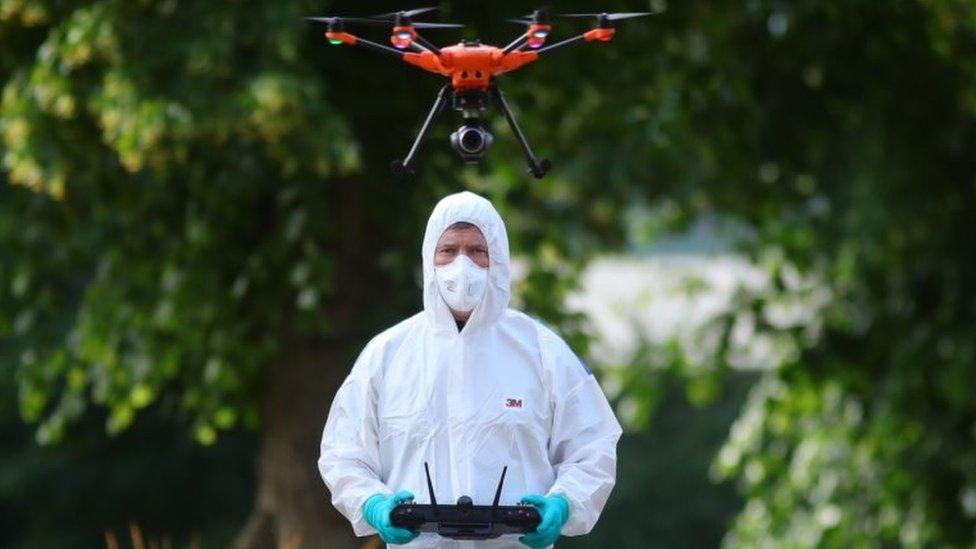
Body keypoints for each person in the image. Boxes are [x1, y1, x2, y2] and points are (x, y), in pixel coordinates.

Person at [318, 191, 621, 548]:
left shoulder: (543, 351)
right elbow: (343, 453)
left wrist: (564, 503)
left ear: (499, 260)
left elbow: (593, 446)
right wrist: (372, 504)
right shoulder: (387, 355)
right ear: (430, 258)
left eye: (477, 251)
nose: (462, 265)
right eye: (448, 250)